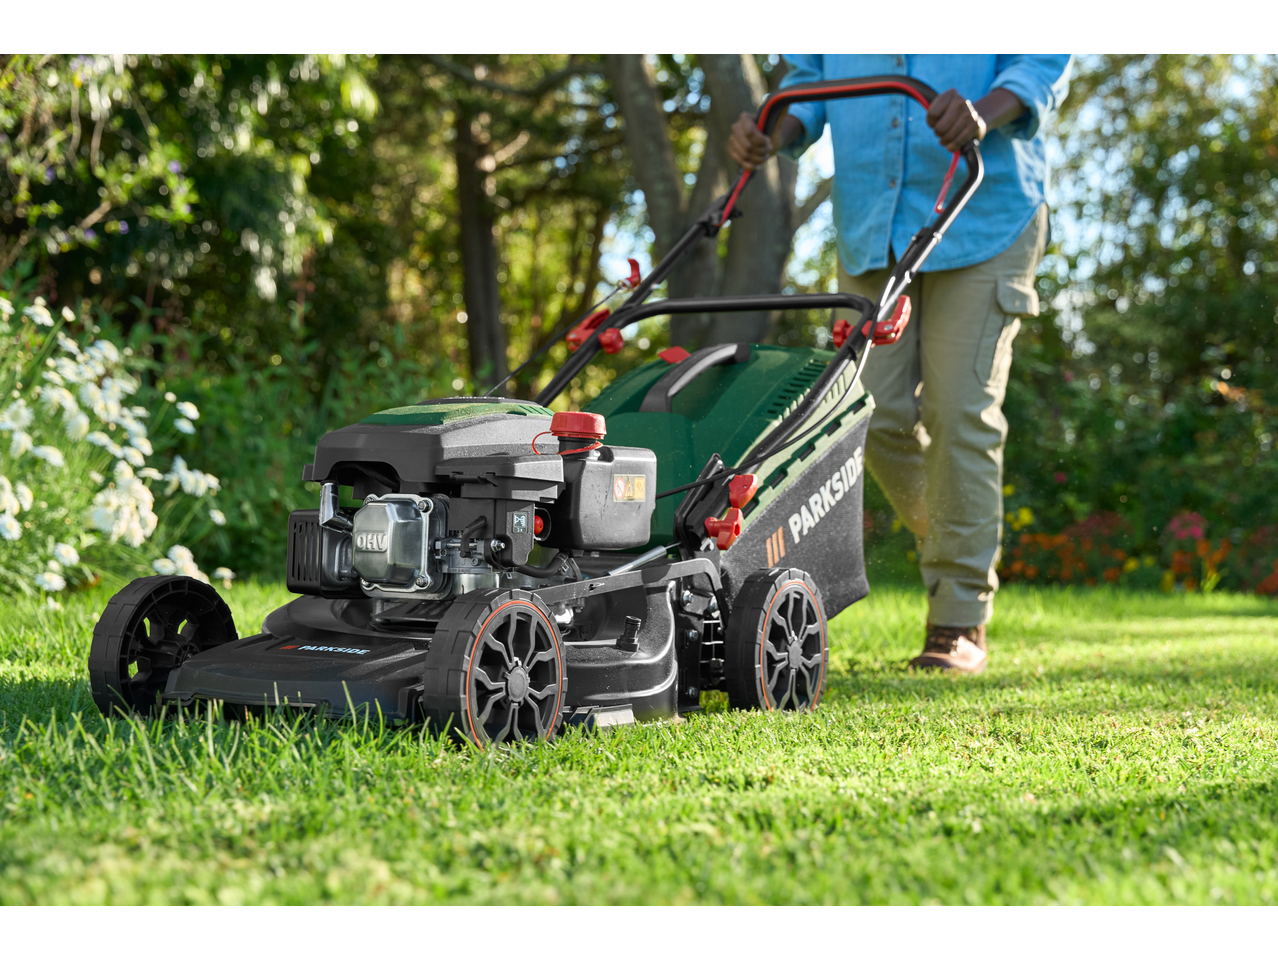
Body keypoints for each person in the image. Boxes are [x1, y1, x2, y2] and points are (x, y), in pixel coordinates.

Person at [729, 55, 1072, 674]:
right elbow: (807, 82)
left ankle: (958, 615)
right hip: (873, 225)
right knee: (868, 414)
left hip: (982, 215)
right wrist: (770, 129)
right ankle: (953, 534)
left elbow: (1039, 64)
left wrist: (983, 113)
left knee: (959, 408)